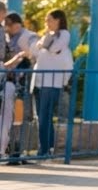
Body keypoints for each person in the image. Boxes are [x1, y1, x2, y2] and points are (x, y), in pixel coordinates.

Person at [29, 10, 72, 158]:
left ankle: (44, 150)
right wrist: (43, 42)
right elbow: (34, 51)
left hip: (51, 82)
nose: (46, 23)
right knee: (43, 117)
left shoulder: (63, 35)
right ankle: (49, 148)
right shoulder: (48, 36)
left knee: (44, 117)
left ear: (58, 20)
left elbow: (54, 48)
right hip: (40, 81)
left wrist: (43, 44)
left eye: (49, 20)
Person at [1, 13, 38, 166]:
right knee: (12, 118)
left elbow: (35, 54)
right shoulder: (9, 38)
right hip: (12, 83)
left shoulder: (29, 37)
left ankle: (20, 151)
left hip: (23, 83)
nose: (6, 29)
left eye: (8, 25)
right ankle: (13, 151)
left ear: (16, 25)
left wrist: (24, 55)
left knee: (23, 118)